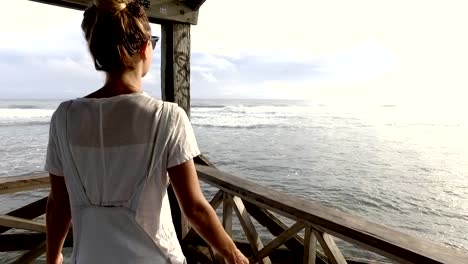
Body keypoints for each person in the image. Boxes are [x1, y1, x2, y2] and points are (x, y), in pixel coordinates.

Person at [44, 0, 249, 263]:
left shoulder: (64, 117)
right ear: (144, 48)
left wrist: (53, 257)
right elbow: (195, 209)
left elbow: (58, 205)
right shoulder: (168, 117)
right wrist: (234, 256)